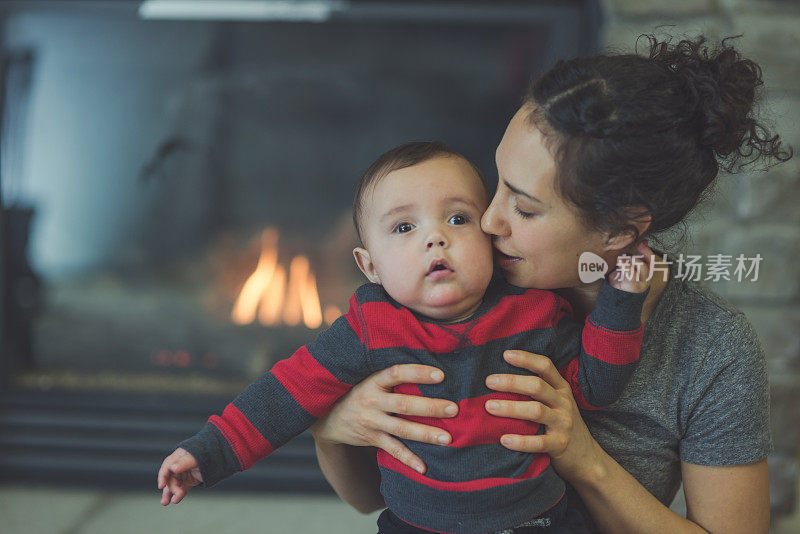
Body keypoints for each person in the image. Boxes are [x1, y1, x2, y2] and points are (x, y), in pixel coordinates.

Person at [310, 36, 790, 533]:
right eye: (496, 183)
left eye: (525, 207)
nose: (489, 221)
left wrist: (585, 459)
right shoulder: (454, 287)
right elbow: (371, 501)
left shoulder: (711, 349)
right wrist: (334, 427)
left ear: (620, 230)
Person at [157, 141, 652, 533]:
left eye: (458, 218)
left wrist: (621, 300)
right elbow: (284, 393)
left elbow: (596, 386)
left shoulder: (535, 313)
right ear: (369, 266)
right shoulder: (370, 328)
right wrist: (208, 453)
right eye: (403, 227)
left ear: (491, 236)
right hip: (414, 525)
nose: (434, 237)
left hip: (535, 520)